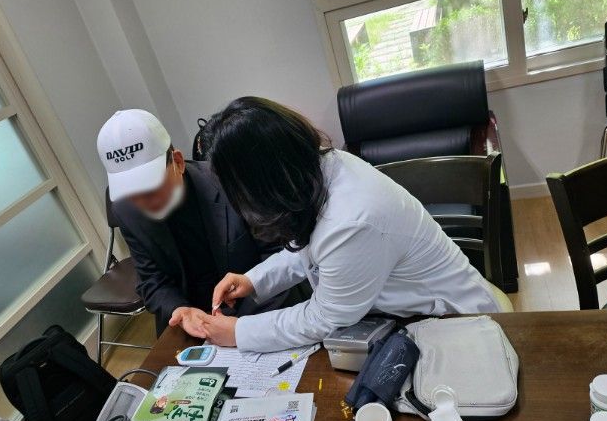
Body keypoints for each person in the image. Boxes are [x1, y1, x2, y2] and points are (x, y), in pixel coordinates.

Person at [186, 97, 506, 352]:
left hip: (456, 324)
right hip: (397, 311)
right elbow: (313, 250)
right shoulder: (319, 167)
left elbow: (324, 317)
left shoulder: (351, 219)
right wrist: (254, 280)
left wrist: (239, 332)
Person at [96, 109, 306, 336]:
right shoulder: (127, 211)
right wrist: (180, 310)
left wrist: (241, 330)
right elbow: (151, 282)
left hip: (263, 308)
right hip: (193, 324)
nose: (144, 202)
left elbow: (279, 254)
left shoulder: (230, 181)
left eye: (151, 187)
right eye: (132, 194)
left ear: (178, 162)